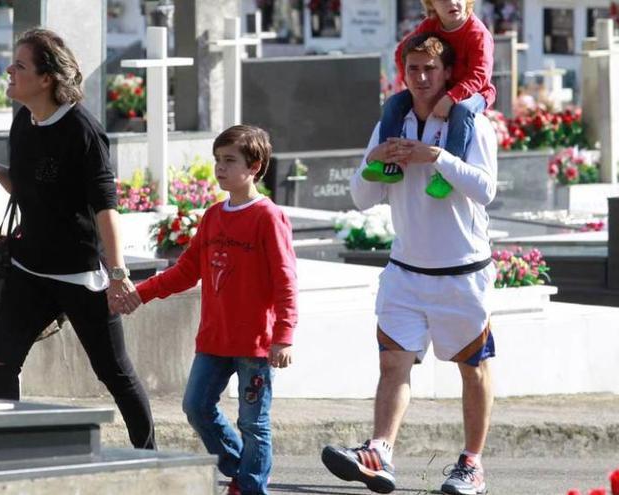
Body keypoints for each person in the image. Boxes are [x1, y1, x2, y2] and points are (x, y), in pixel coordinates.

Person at [0, 27, 156, 450]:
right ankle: (4, 452)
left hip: (79, 274)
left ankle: (150, 456)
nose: (10, 70)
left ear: (46, 79)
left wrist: (118, 273)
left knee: (114, 372)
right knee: (0, 359)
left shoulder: (83, 131)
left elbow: (106, 208)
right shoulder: (23, 121)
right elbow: (25, 189)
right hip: (28, 268)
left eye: (20, 65)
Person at [320, 33, 497, 495]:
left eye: (430, 70)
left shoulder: (474, 125)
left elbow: (485, 190)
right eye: (413, 69)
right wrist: (373, 160)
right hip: (404, 271)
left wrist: (436, 158)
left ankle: (471, 465)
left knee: (472, 369)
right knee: (392, 364)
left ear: (447, 74)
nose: (420, 78)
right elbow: (362, 199)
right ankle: (380, 451)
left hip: (462, 272)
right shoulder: (391, 122)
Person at [123, 125, 298, 495]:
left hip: (255, 344)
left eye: (229, 161)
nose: (220, 168)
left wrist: (284, 336)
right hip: (215, 339)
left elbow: (285, 280)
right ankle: (240, 470)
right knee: (196, 406)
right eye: (217, 160)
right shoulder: (214, 215)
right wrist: (142, 293)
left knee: (254, 424)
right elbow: (187, 271)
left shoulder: (268, 217)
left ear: (255, 166)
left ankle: (249, 488)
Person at [364, 0, 495, 200]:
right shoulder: (429, 25)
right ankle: (388, 162)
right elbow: (402, 52)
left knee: (462, 110)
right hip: (442, 89)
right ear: (431, 4)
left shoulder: (478, 33)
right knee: (393, 103)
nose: (452, 2)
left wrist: (451, 98)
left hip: (474, 93)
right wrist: (411, 83)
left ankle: (445, 175)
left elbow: (479, 75)